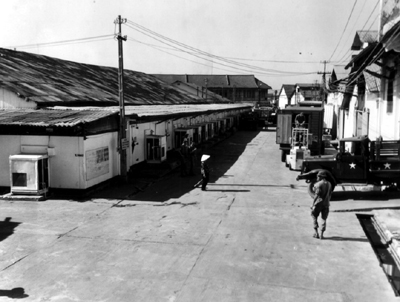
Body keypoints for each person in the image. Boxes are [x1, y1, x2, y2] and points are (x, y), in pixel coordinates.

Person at [311, 170, 332, 239]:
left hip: (318, 203)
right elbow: (330, 194)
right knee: (323, 219)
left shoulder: (318, 184)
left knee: (314, 215)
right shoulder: (329, 184)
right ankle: (321, 235)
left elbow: (316, 195)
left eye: (318, 176)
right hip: (326, 204)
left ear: (320, 177)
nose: (317, 177)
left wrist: (313, 204)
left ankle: (316, 233)